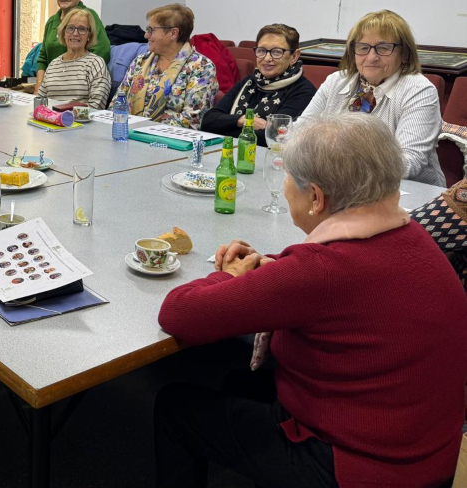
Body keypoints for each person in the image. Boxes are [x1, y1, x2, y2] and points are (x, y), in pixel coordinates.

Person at [154, 114, 467, 488]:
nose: (287, 187)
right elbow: (340, 292)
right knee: (240, 381)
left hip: (359, 468)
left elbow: (178, 313)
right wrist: (272, 270)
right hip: (426, 451)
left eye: (289, 178)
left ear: (316, 198)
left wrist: (229, 276)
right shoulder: (410, 235)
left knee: (176, 408)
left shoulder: (320, 270)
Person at [298, 9, 443, 186]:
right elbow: (298, 133)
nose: (372, 57)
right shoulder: (336, 81)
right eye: (363, 47)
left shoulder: (419, 90)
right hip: (338, 185)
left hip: (406, 192)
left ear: (404, 54)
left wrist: (333, 161)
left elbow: (409, 163)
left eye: (383, 48)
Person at [201, 23, 315, 146]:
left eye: (277, 52)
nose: (266, 58)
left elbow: (273, 138)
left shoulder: (304, 92)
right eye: (261, 51)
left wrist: (226, 127)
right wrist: (242, 120)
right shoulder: (249, 82)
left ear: (294, 56)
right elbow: (208, 121)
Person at [115, 3, 218, 128]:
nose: (146, 35)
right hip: (127, 132)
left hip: (170, 142)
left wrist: (143, 129)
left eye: (151, 30)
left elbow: (192, 120)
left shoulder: (201, 67)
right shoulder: (141, 61)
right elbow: (117, 102)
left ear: (173, 33)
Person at [33, 0, 110, 93]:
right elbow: (42, 58)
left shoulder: (89, 16)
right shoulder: (52, 21)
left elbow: (103, 50)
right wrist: (39, 85)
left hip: (78, 88)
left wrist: (75, 78)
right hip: (53, 87)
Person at [36, 8, 111, 109]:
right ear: (63, 32)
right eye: (70, 28)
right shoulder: (53, 64)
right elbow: (40, 101)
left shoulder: (96, 63)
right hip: (49, 121)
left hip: (79, 122)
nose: (75, 33)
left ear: (89, 35)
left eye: (82, 29)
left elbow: (96, 106)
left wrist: (65, 118)